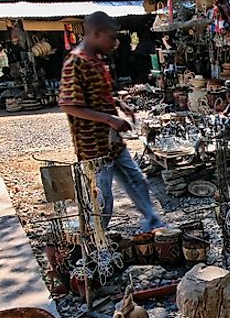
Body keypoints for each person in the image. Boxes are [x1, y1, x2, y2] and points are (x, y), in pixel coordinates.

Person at [59, 12, 167, 234]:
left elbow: (97, 96)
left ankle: (152, 220)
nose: (115, 43)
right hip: (94, 148)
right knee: (102, 199)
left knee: (137, 179)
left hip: (113, 143)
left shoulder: (97, 61)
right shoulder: (75, 61)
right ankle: (94, 242)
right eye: (111, 37)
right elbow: (69, 105)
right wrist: (109, 118)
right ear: (96, 34)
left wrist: (118, 103)